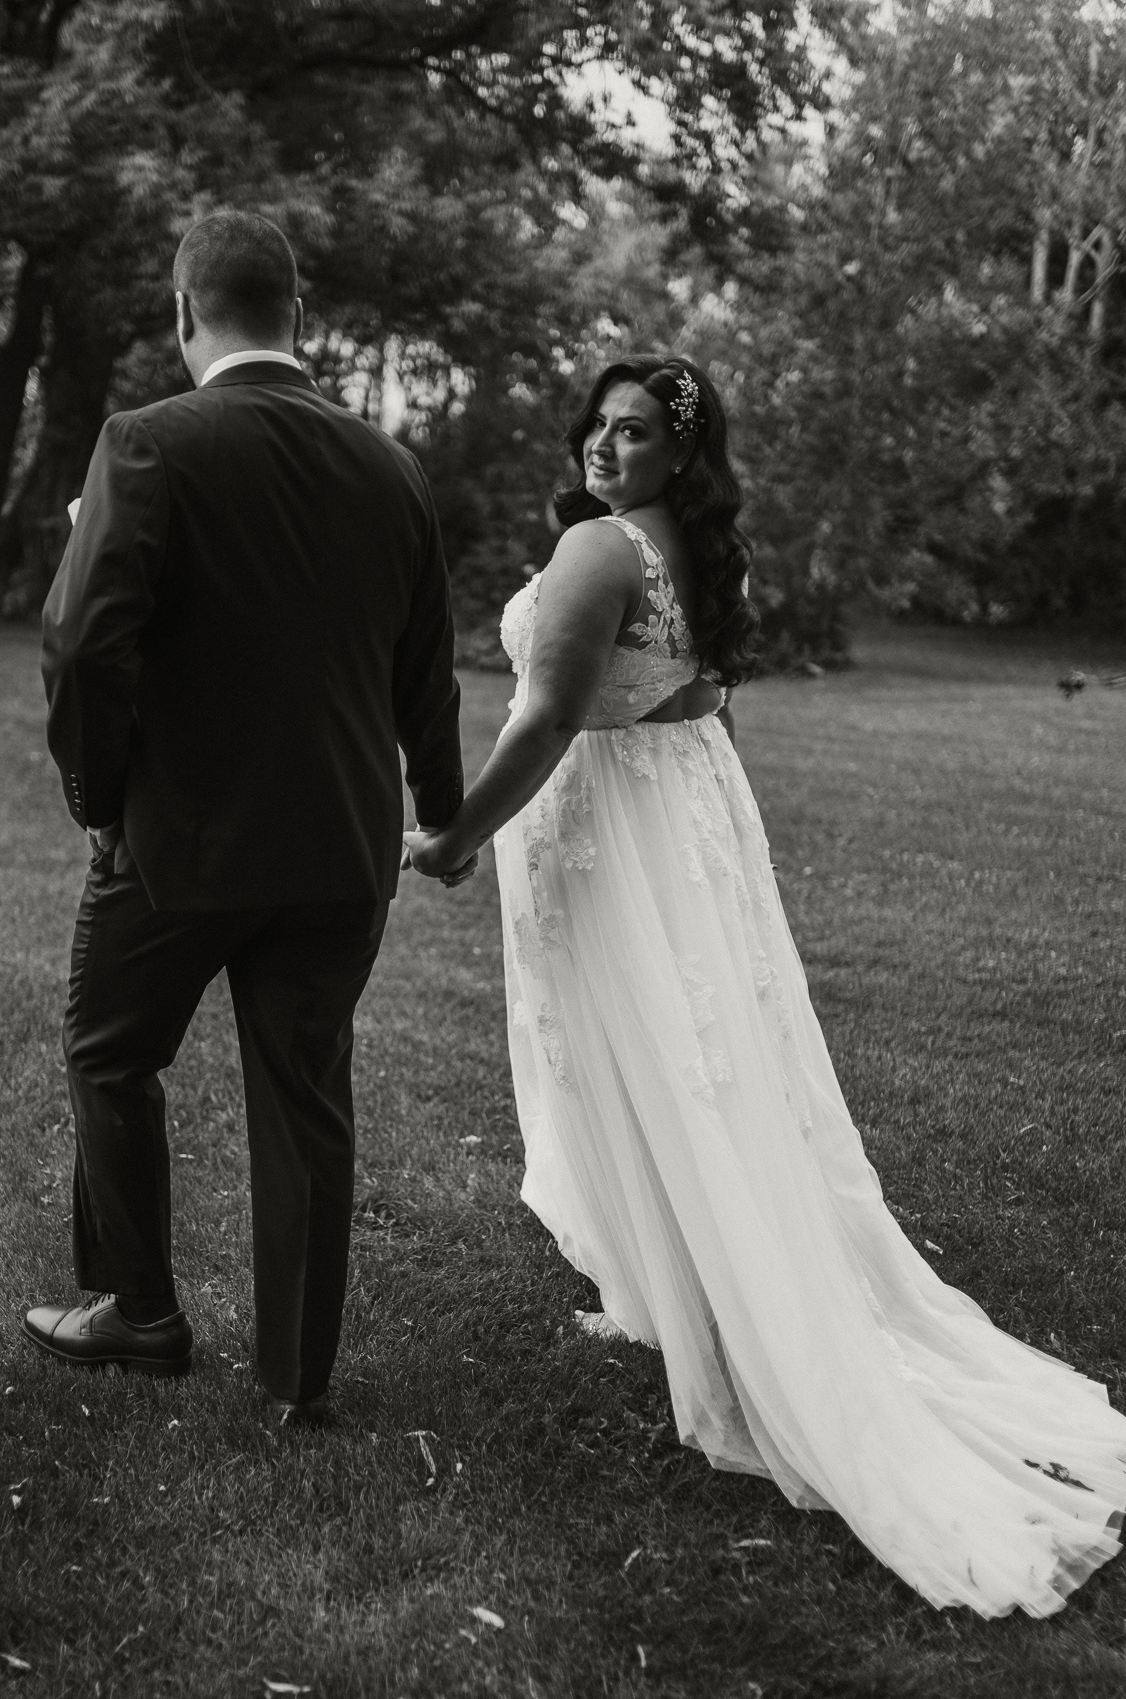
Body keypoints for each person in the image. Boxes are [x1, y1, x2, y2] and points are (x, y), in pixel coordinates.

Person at [404, 354, 1126, 1616]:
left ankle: (717, 1309)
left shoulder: (599, 550)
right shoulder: (714, 555)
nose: (603, 446)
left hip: (615, 822)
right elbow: (707, 706)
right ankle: (677, 1286)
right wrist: (719, 855)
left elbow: (549, 717)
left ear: (681, 452)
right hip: (681, 812)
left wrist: (456, 834)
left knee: (642, 1057)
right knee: (695, 1063)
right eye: (597, 425)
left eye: (634, 432)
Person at [27, 210, 467, 1414]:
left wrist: (98, 797)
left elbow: (81, 644)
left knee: (111, 1052)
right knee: (304, 1091)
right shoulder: (393, 468)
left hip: (179, 843)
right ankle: (297, 1376)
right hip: (341, 848)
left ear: (183, 312)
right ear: (298, 316)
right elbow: (426, 669)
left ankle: (141, 1311)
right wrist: (443, 810)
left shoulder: (146, 443)